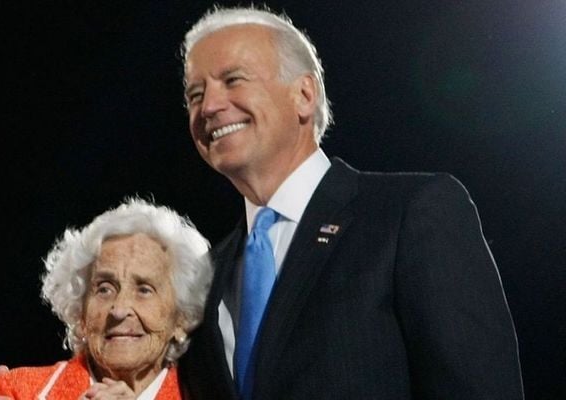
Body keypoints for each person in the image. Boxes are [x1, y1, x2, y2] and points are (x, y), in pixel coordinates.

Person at [178, 5, 524, 400]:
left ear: (304, 95)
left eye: (233, 80)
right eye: (195, 94)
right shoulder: (208, 275)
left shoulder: (411, 214)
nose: (208, 107)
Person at [0, 197, 213, 399]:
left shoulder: (213, 395)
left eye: (144, 289)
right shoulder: (21, 393)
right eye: (104, 289)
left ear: (182, 319)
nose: (120, 309)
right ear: (80, 315)